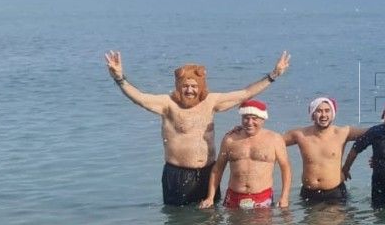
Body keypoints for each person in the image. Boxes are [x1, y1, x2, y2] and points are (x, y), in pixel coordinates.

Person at [104, 50, 290, 206]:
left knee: (210, 222)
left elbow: (246, 93)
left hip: (208, 173)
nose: (190, 90)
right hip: (177, 174)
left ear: (201, 87)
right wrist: (120, 78)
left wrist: (273, 75)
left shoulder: (211, 102)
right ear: (178, 87)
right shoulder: (167, 104)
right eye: (185, 86)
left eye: (194, 86)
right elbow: (140, 98)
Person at [200, 100, 291, 209]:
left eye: (254, 118)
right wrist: (210, 197)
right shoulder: (230, 139)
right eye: (246, 118)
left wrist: (284, 196)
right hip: (233, 196)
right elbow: (218, 169)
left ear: (263, 119)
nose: (249, 122)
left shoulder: (275, 139)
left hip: (262, 197)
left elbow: (285, 168)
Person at [283, 97, 365, 203]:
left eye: (327, 111)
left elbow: (371, 134)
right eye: (319, 111)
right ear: (312, 114)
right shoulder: (300, 135)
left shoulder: (343, 132)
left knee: (335, 219)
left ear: (332, 114)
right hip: (308, 192)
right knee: (310, 220)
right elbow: (273, 142)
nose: (323, 115)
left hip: (335, 193)